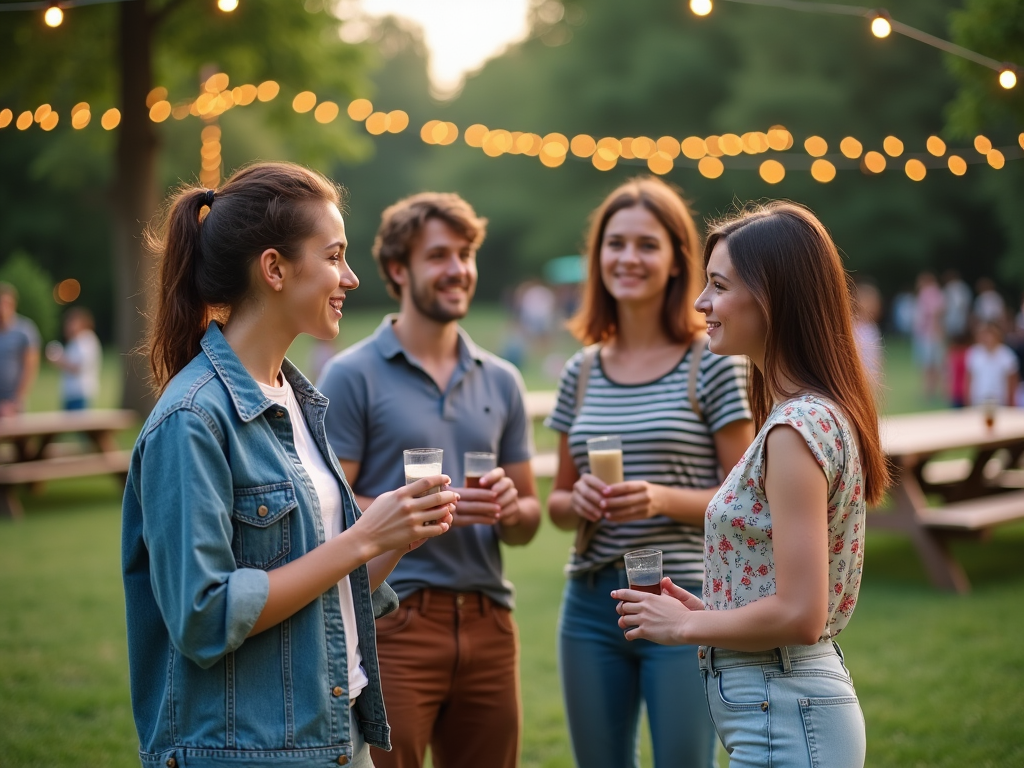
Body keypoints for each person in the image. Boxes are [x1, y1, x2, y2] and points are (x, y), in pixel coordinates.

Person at [121, 162, 458, 768]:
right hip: (246, 750)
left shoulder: (296, 400)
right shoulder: (192, 420)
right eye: (333, 257)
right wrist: (361, 539)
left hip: (333, 735)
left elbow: (323, 585)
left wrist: (394, 537)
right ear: (274, 269)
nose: (350, 278)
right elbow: (203, 616)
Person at [614, 201, 890, 768]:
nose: (700, 303)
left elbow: (801, 612)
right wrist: (706, 613)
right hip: (781, 706)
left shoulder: (795, 428)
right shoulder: (806, 415)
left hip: (787, 712)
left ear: (774, 298)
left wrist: (688, 624)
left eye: (718, 285)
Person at [317, 192, 541, 768]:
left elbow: (526, 525)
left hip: (492, 622)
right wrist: (415, 509)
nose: (458, 269)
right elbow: (329, 510)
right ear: (398, 268)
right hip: (395, 619)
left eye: (465, 254)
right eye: (439, 255)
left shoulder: (504, 380)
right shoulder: (351, 375)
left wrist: (511, 508)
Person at [545, 177, 755, 768]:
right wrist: (578, 500)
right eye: (615, 244)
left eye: (646, 244)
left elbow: (745, 499)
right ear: (598, 258)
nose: (628, 258)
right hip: (590, 602)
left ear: (674, 262)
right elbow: (558, 502)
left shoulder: (708, 364)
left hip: (680, 596)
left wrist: (660, 497)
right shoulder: (580, 371)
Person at [48, 307, 102, 410]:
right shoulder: (73, 342)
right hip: (69, 395)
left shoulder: (87, 339)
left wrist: (59, 360)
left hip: (81, 394)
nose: (68, 326)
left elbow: (78, 367)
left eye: (71, 322)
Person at [0, 282, 41, 416]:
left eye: (6, 303)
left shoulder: (25, 330)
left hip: (14, 403)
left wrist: (16, 401)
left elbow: (30, 369)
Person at [964, 322, 1018, 407]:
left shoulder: (1006, 355)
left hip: (1000, 403)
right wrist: (967, 401)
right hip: (978, 402)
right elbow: (969, 378)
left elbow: (1012, 381)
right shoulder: (974, 353)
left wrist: (1011, 403)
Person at [912, 272, 945, 401]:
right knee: (932, 364)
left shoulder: (928, 292)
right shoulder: (934, 292)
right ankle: (932, 390)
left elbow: (936, 312)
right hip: (929, 333)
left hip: (929, 333)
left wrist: (935, 329)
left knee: (929, 364)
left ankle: (929, 391)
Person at [852, 281, 883, 389]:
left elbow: (876, 354)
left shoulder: (872, 328)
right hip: (857, 375)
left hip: (871, 376)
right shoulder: (853, 326)